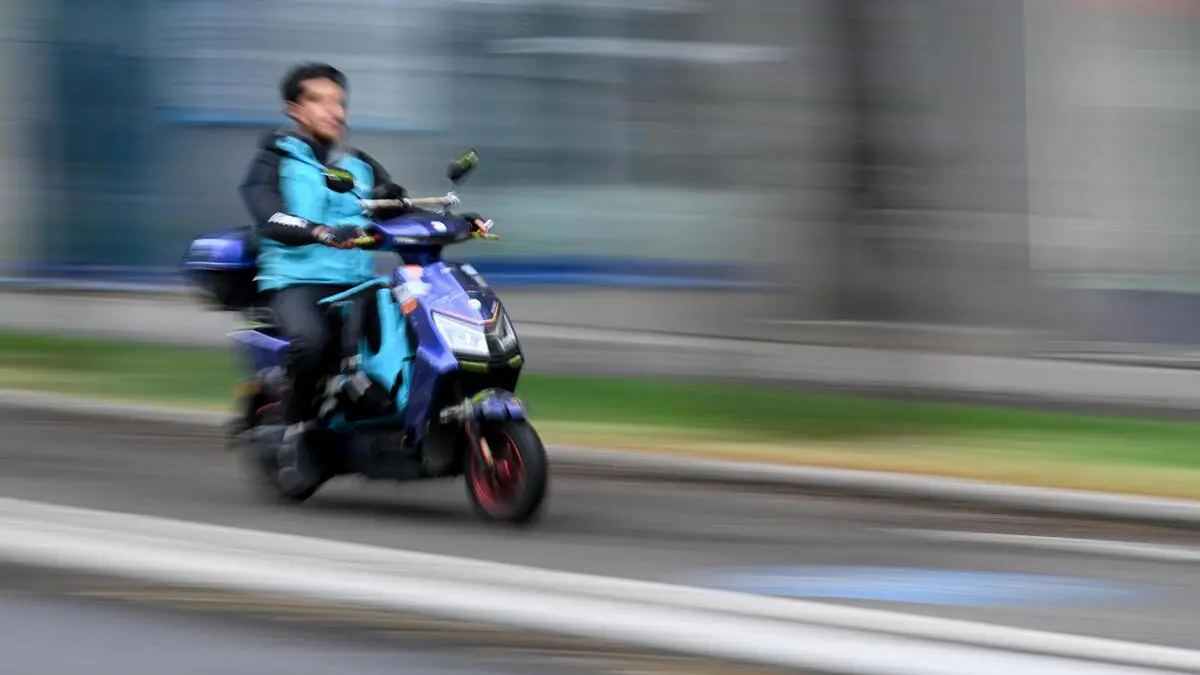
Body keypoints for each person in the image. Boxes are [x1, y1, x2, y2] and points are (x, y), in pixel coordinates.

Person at [238, 62, 488, 459]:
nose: (333, 110)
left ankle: (408, 419)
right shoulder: (274, 161)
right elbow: (269, 214)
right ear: (294, 109)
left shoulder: (358, 164)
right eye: (318, 100)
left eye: (338, 102)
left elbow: (397, 207)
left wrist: (458, 222)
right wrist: (319, 231)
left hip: (358, 283)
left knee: (421, 332)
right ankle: (293, 427)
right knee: (313, 342)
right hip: (297, 281)